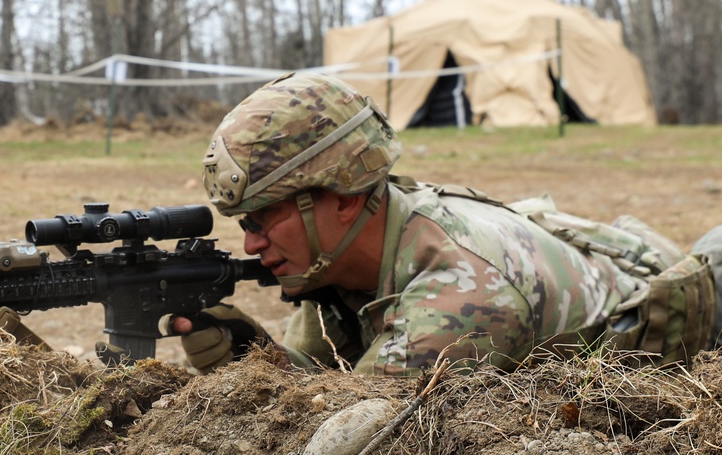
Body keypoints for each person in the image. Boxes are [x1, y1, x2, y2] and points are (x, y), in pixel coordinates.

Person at [170, 72, 716, 375]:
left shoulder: (458, 302)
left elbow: (343, 453)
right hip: (589, 256)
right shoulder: (356, 239)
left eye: (265, 217)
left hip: (683, 305)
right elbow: (331, 386)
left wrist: (263, 386)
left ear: (340, 197)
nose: (249, 241)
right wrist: (257, 360)